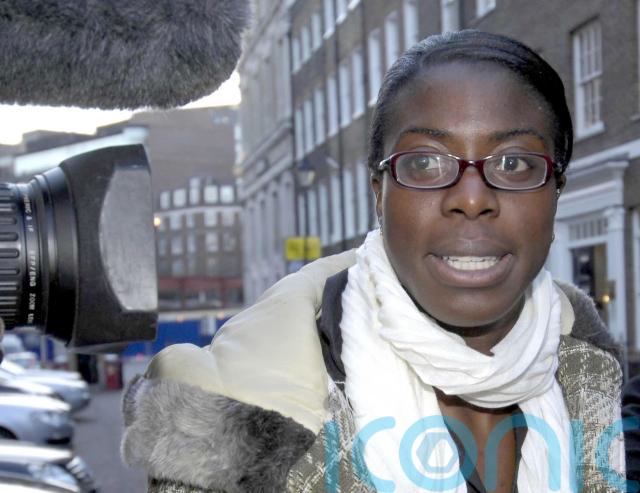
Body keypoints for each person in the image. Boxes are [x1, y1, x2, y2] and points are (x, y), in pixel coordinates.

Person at [121, 30, 625, 493]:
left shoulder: (587, 368)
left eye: (514, 162)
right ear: (379, 194)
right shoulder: (230, 427)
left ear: (556, 190)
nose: (472, 198)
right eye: (425, 162)